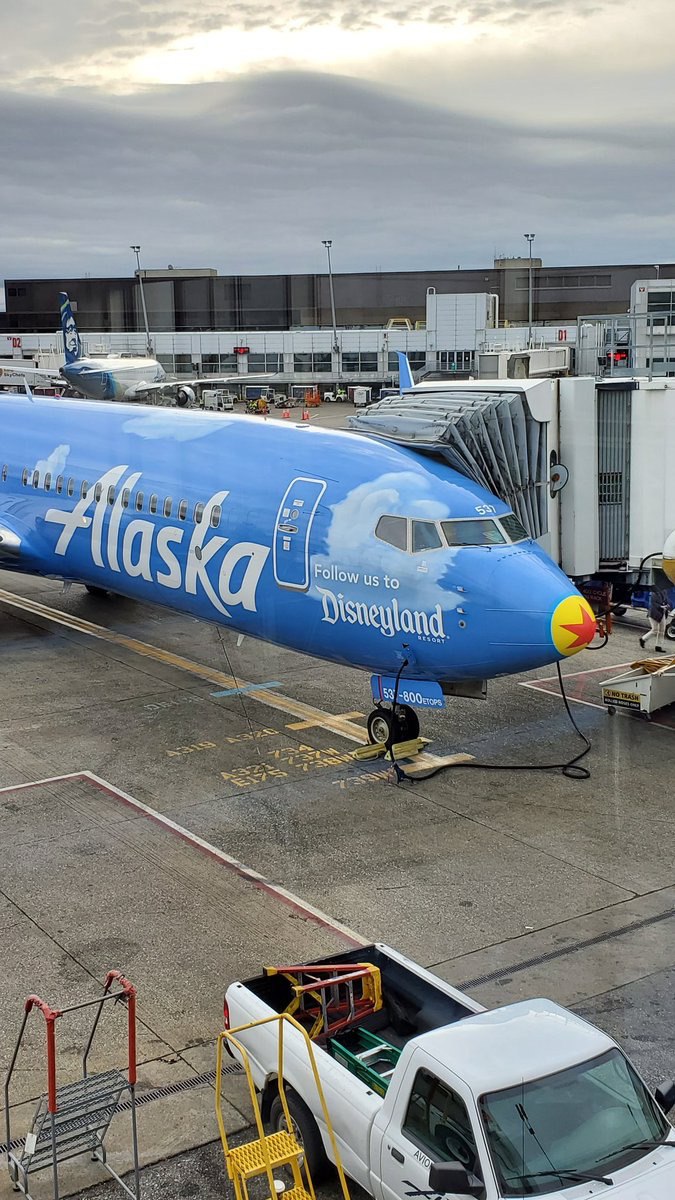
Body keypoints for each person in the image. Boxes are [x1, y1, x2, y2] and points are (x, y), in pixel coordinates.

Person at [639, 587, 672, 653]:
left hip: (662, 613)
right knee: (655, 630)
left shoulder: (664, 591)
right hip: (653, 613)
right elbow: (653, 603)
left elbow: (666, 601)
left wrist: (668, 605)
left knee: (662, 630)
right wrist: (661, 606)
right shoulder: (654, 593)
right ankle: (643, 639)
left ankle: (658, 646)